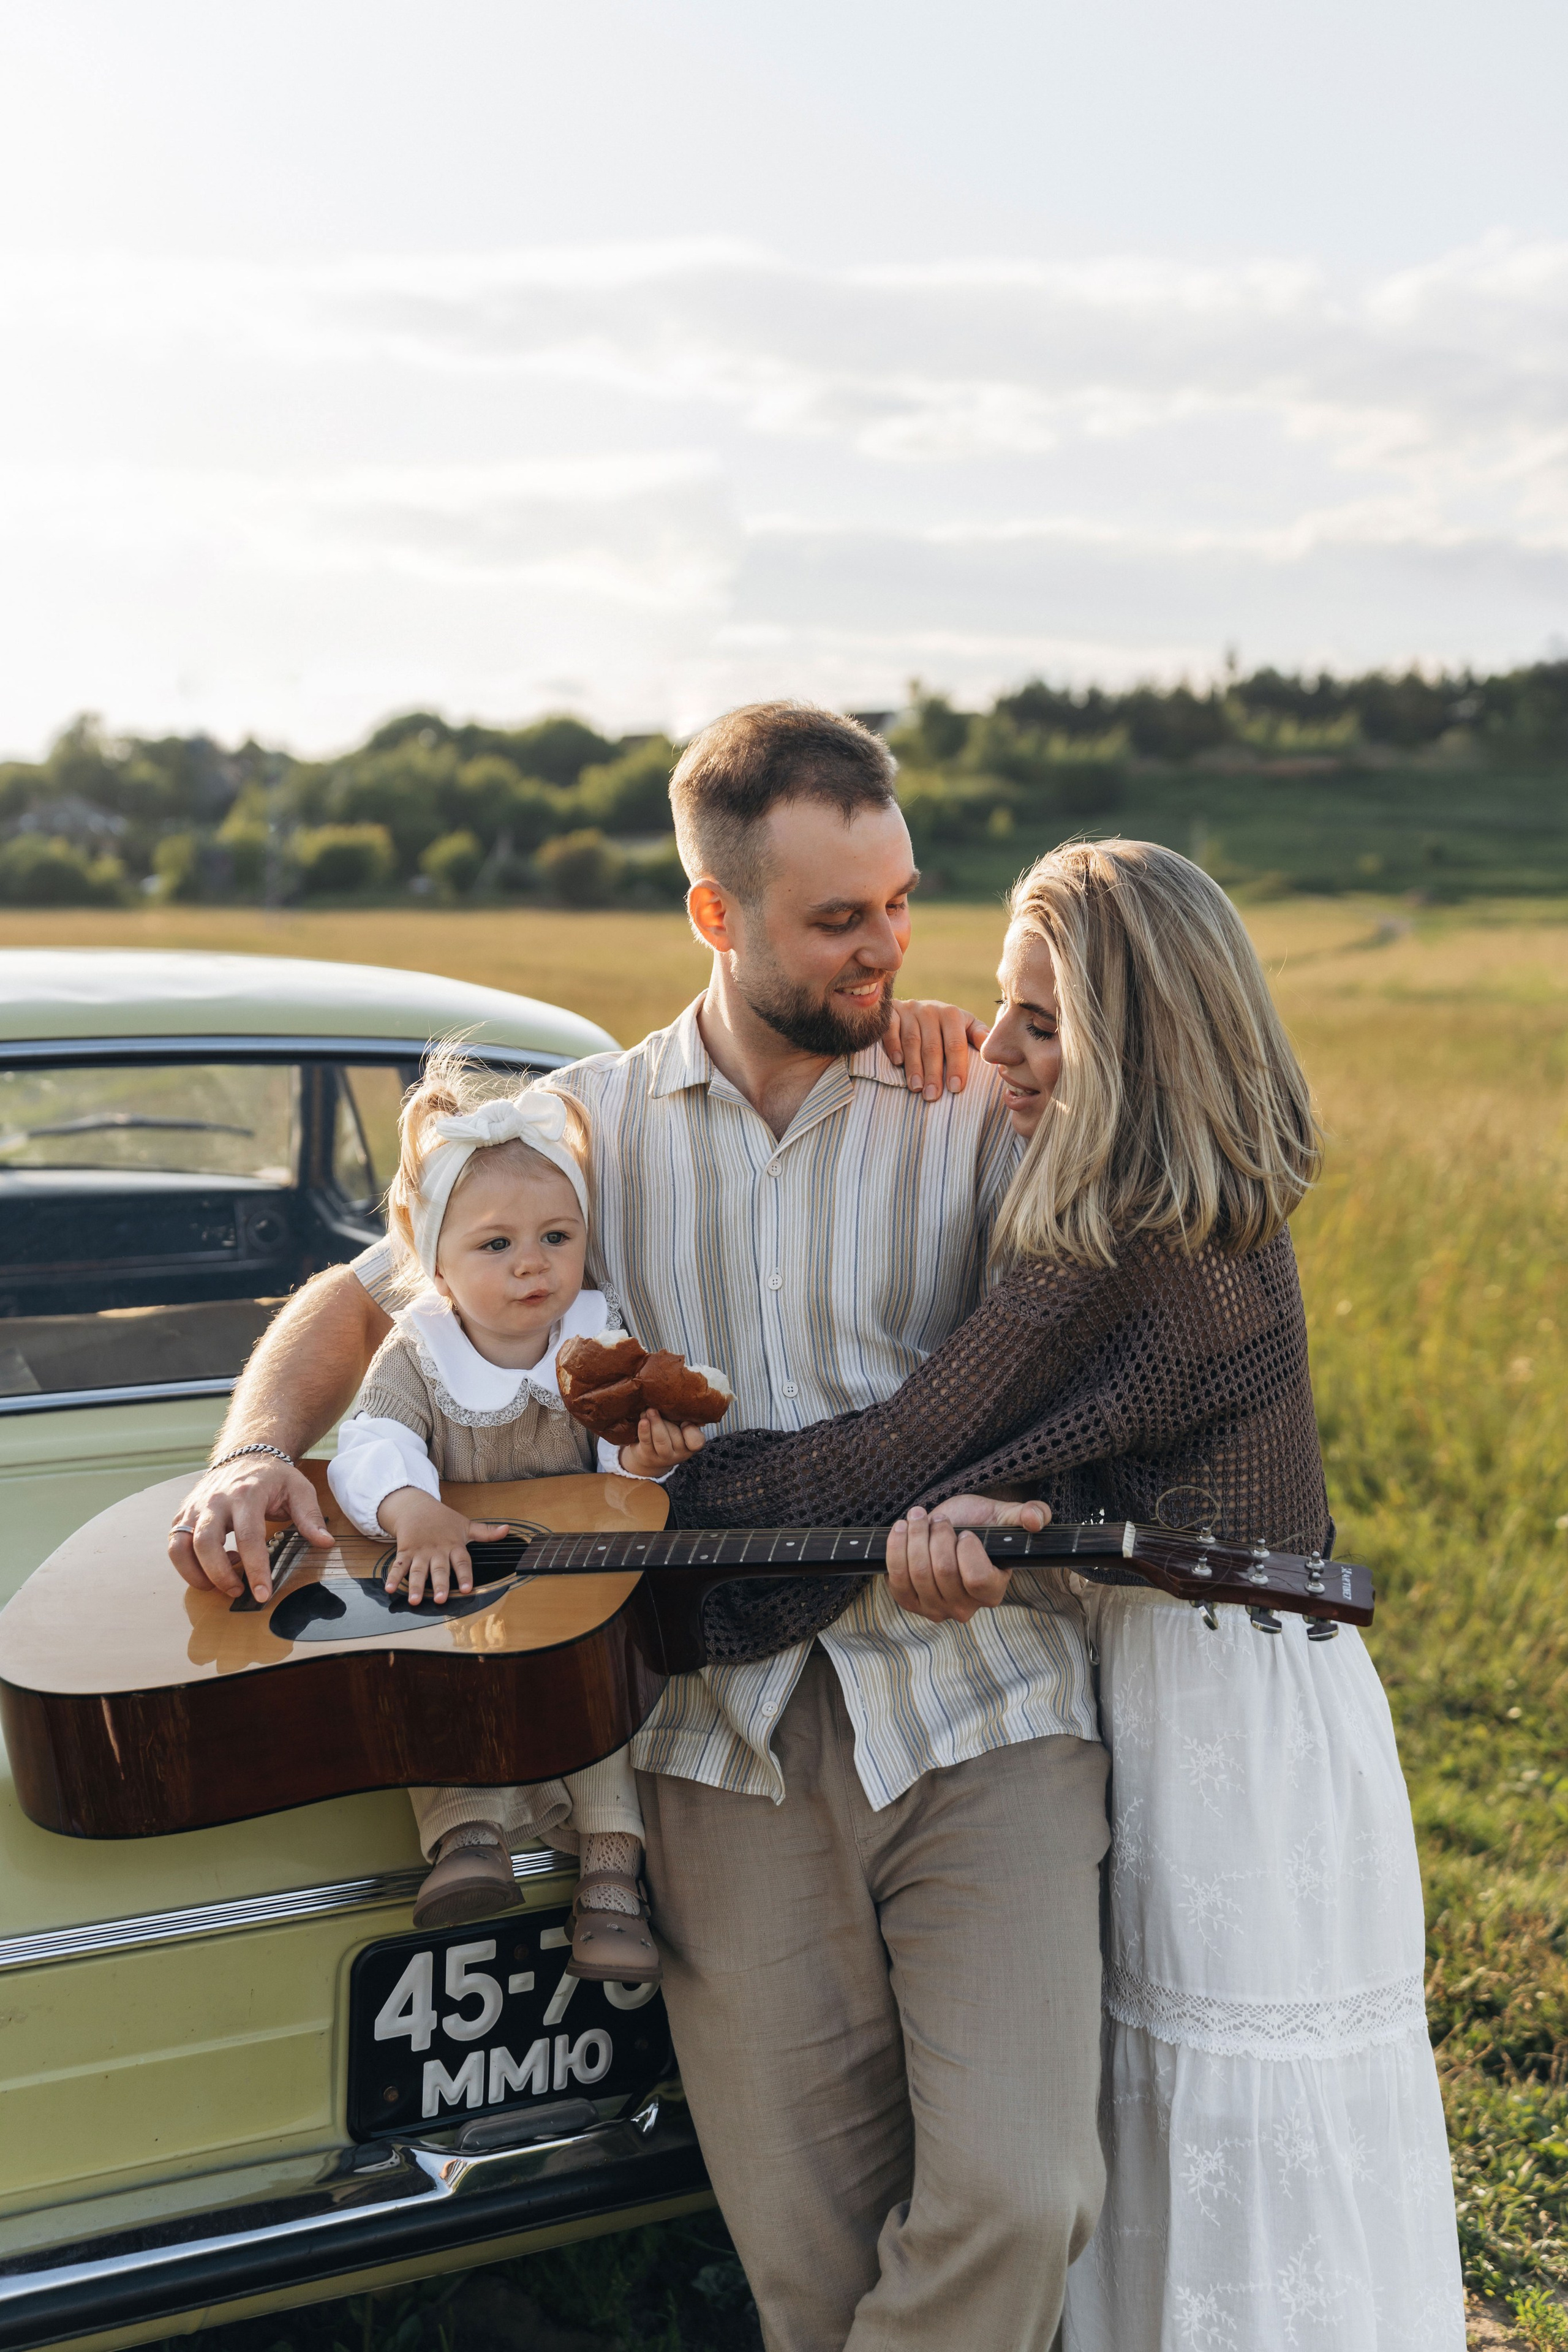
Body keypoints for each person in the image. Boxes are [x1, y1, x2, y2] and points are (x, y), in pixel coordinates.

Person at [169, 701, 1108, 2352]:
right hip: (709, 1753)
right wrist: (253, 1451)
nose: (886, 951)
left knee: (1028, 2195)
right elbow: (360, 1293)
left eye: (900, 905)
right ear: (715, 915)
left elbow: (1145, 1274)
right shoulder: (584, 1133)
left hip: (985, 1711)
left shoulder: (975, 1101)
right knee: (809, 2260)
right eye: (838, 921)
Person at [665, 839, 1467, 2352]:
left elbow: (911, 1444)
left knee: (1209, 2132)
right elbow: (1080, 1480)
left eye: (1043, 1026)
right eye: (998, 1010)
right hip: (1245, 1690)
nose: (1003, 1057)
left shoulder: (1121, 1248)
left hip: (1218, 1729)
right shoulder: (1196, 1199)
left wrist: (664, 1533)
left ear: (1137, 1042)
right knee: (1205, 2143)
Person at [327, 1054, 709, 1967]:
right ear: (435, 1260)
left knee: (605, 1705)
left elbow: (615, 1456)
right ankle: (468, 1841)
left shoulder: (593, 1341)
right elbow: (371, 1443)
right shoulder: (420, 1351)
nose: (532, 1266)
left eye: (556, 1237)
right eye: (495, 1246)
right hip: (459, 1583)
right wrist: (411, 1510)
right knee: (432, 1691)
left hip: (572, 1593)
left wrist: (643, 1457)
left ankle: (612, 1880)